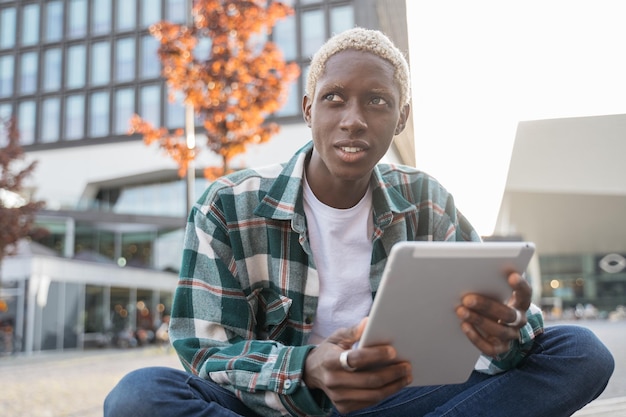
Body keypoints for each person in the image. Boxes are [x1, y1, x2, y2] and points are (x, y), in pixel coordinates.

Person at [104, 27, 614, 417]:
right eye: (334, 98)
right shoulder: (229, 205)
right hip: (277, 404)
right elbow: (204, 349)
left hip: (401, 399)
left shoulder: (425, 200)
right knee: (140, 395)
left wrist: (508, 333)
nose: (353, 118)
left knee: (579, 352)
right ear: (308, 109)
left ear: (401, 118)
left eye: (377, 101)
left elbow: (501, 347)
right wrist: (305, 367)